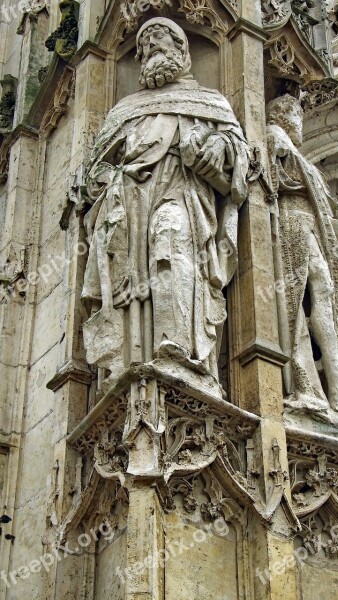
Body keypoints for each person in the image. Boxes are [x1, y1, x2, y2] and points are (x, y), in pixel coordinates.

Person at [81, 17, 249, 382]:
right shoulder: (125, 109)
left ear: (182, 50)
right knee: (136, 275)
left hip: (183, 193)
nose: (151, 52)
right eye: (144, 49)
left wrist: (219, 146)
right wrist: (109, 179)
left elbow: (241, 156)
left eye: (160, 44)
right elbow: (90, 174)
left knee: (170, 242)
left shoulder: (209, 101)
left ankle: (180, 348)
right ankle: (130, 362)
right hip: (130, 202)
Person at [266, 94, 338, 415]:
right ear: (282, 114)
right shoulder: (274, 136)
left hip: (311, 224)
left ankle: (337, 388)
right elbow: (271, 171)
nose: (300, 121)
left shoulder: (295, 153)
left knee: (323, 291)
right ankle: (308, 384)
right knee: (302, 291)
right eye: (295, 113)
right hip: (291, 219)